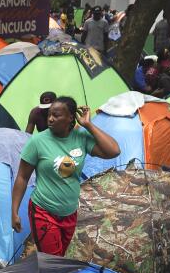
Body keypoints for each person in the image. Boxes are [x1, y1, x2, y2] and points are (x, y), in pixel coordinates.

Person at [11, 96, 121, 257]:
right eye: (49, 114)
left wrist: (88, 125)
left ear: (70, 117)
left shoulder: (81, 138)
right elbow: (22, 177)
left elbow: (114, 151)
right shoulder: (37, 142)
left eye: (56, 115)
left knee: (59, 257)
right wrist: (14, 211)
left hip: (69, 212)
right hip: (43, 211)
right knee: (53, 261)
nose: (50, 119)